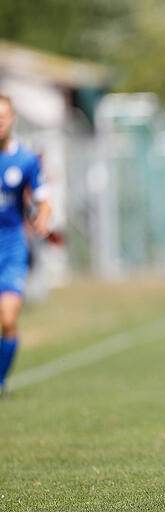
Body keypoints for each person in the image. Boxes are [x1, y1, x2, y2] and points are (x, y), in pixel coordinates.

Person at [0, 94, 51, 394]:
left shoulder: (26, 160)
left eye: (4, 115)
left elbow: (44, 200)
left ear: (13, 119)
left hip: (12, 247)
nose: (0, 121)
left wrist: (43, 218)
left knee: (8, 318)